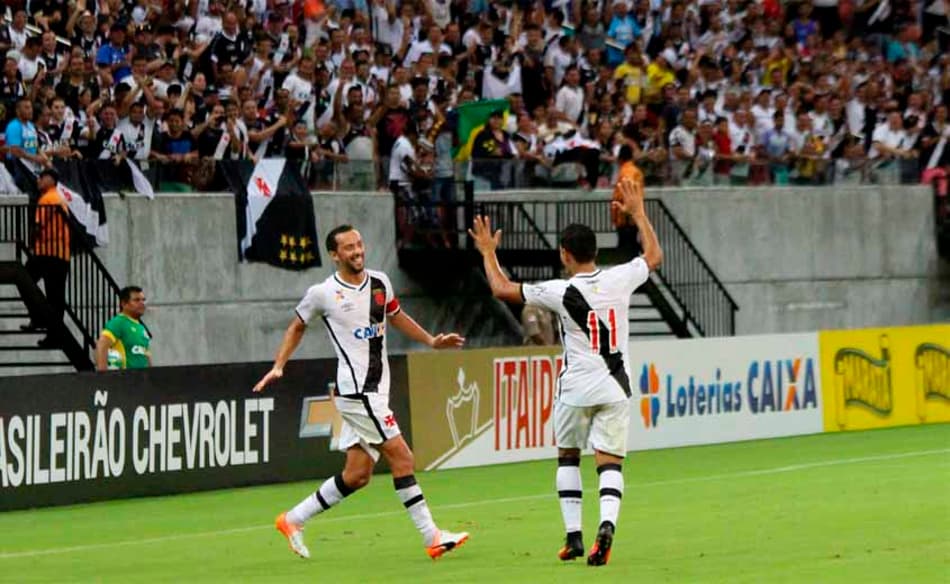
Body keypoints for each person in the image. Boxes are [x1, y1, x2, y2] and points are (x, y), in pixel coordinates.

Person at [468, 177, 663, 567]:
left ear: (565, 254)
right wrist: (639, 214)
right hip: (615, 385)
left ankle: (574, 537)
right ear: (594, 251)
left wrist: (488, 252)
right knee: (609, 463)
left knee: (568, 457)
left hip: (575, 388)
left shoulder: (557, 290)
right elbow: (654, 256)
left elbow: (502, 288)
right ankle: (606, 526)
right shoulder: (620, 277)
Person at [252, 225, 469, 561]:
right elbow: (297, 325)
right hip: (358, 393)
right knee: (403, 458)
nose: (356, 251)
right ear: (334, 255)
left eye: (359, 244)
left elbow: (396, 316)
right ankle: (432, 536)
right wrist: (279, 364)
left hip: (376, 390)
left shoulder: (380, 281)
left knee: (357, 475)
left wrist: (430, 340)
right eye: (348, 248)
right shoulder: (323, 293)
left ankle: (292, 519)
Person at [22, 168, 69, 349]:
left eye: (41, 177)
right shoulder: (56, 196)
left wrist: (31, 242)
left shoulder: (49, 198)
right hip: (57, 253)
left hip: (48, 252)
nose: (38, 181)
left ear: (50, 179)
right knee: (55, 297)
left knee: (27, 280)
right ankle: (49, 329)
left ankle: (40, 319)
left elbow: (39, 225)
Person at [95, 286, 152, 371]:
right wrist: (103, 376)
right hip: (125, 380)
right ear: (124, 304)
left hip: (143, 381)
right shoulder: (118, 322)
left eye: (143, 300)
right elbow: (102, 345)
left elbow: (147, 355)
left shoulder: (141, 327)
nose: (142, 303)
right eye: (136, 300)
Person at [611, 144, 643, 257]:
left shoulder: (627, 171)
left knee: (627, 250)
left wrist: (625, 214)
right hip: (630, 216)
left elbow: (625, 193)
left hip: (626, 218)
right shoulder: (633, 170)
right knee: (631, 247)